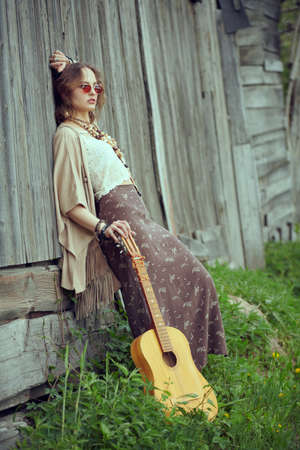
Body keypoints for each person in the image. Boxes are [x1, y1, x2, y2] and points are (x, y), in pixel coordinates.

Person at [49, 50, 227, 369]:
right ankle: (162, 372)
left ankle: (191, 367)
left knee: (195, 276)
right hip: (120, 226)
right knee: (150, 296)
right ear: (66, 91)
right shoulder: (67, 136)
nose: (93, 92)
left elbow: (83, 82)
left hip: (140, 219)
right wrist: (103, 228)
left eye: (96, 87)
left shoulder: (94, 132)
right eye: (83, 87)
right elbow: (70, 201)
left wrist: (73, 63)